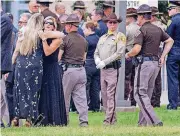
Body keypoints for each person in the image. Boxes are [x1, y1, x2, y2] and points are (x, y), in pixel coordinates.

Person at [125, 4, 174, 126]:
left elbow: (136, 49)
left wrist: (128, 55)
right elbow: (170, 41)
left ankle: (155, 121)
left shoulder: (141, 30)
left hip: (144, 64)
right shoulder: (157, 29)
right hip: (155, 63)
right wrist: (163, 56)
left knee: (138, 93)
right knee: (146, 94)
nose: (137, 19)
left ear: (141, 17)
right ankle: (142, 124)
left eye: (138, 16)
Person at [11, 13, 44, 127]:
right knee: (33, 91)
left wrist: (11, 63)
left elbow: (16, 50)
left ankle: (16, 117)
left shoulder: (23, 31)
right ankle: (29, 119)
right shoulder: (41, 33)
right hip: (35, 65)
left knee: (19, 90)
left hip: (22, 64)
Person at [94, 13, 125, 125]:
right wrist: (97, 60)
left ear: (117, 24)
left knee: (111, 95)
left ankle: (108, 120)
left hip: (112, 69)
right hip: (103, 69)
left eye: (114, 22)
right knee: (105, 96)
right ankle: (113, 120)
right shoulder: (102, 37)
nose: (112, 24)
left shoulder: (120, 36)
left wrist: (105, 62)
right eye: (110, 22)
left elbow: (119, 53)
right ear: (107, 23)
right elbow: (96, 52)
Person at [38, 16, 67, 126]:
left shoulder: (57, 38)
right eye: (46, 22)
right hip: (42, 68)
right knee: (43, 93)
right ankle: (41, 120)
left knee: (52, 92)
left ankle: (53, 120)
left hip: (52, 67)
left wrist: (44, 39)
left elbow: (47, 52)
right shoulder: (39, 35)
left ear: (54, 26)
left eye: (51, 23)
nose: (48, 24)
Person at [60, 14, 88, 127]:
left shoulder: (65, 39)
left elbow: (59, 56)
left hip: (69, 70)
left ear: (70, 26)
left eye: (66, 24)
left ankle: (64, 122)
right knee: (81, 99)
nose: (65, 26)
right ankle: (84, 122)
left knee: (65, 98)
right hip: (81, 70)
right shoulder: (84, 40)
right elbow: (84, 57)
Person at [150, 6, 167, 108]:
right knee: (158, 78)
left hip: (153, 50)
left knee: (151, 77)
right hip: (160, 50)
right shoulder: (163, 26)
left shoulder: (150, 27)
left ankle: (153, 100)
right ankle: (157, 101)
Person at [4, 13, 18, 127]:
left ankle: (11, 120)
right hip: (10, 67)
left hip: (9, 68)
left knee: (7, 95)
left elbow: (12, 52)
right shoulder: (14, 31)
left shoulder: (12, 32)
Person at [1, 3, 13, 128]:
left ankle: (11, 120)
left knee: (5, 94)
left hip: (2, 63)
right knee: (1, 96)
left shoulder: (4, 19)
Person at [83, 21, 100, 112]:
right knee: (95, 87)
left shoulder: (86, 40)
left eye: (85, 29)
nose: (83, 31)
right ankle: (95, 106)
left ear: (89, 29)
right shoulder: (98, 38)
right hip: (97, 64)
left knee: (86, 86)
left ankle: (85, 106)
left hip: (88, 64)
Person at [166, 0, 180, 110]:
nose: (168, 11)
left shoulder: (172, 21)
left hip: (174, 52)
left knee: (173, 79)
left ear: (176, 9)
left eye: (169, 9)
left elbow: (167, 38)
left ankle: (173, 104)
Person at [125, 8, 140, 106]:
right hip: (138, 55)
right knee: (135, 79)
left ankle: (124, 98)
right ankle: (133, 100)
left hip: (128, 55)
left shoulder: (127, 29)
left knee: (126, 79)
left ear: (129, 17)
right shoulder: (140, 28)